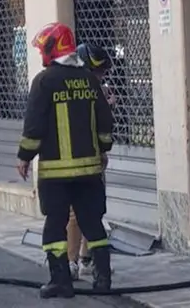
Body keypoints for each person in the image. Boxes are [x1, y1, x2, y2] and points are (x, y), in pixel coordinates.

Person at [16, 22, 115, 299]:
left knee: (55, 225)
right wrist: (103, 148)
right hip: (90, 171)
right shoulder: (89, 79)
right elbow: (105, 122)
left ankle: (61, 281)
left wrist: (24, 157)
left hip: (56, 174)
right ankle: (103, 280)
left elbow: (34, 126)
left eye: (42, 49)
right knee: (93, 224)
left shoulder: (44, 81)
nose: (40, 55)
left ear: (51, 49)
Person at [67, 43, 116, 279]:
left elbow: (103, 127)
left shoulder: (97, 90)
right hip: (77, 161)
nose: (101, 77)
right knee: (76, 214)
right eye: (98, 73)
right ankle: (71, 261)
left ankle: (87, 259)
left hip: (95, 160)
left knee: (94, 212)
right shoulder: (76, 90)